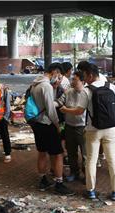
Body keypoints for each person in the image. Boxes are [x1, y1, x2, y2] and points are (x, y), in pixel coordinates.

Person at [62, 63, 115, 201]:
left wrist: (65, 110)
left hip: (93, 130)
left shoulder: (87, 90)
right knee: (112, 159)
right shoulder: (112, 87)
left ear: (90, 75)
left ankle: (91, 191)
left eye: (84, 75)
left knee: (91, 160)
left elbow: (79, 111)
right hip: (110, 129)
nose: (84, 78)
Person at [29, 63, 74, 195]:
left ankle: (42, 180)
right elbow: (50, 109)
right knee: (58, 154)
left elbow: (42, 103)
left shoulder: (35, 84)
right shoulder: (46, 86)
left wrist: (54, 88)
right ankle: (59, 184)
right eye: (58, 74)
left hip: (36, 123)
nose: (59, 77)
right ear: (54, 72)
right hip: (47, 124)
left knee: (42, 152)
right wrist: (57, 125)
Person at [57, 71, 87, 183]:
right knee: (71, 152)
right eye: (72, 79)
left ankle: (87, 174)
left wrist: (65, 110)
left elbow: (79, 111)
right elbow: (59, 102)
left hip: (83, 127)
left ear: (83, 81)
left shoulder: (87, 93)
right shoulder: (68, 92)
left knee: (85, 153)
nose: (72, 81)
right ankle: (74, 172)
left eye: (75, 80)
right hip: (69, 126)